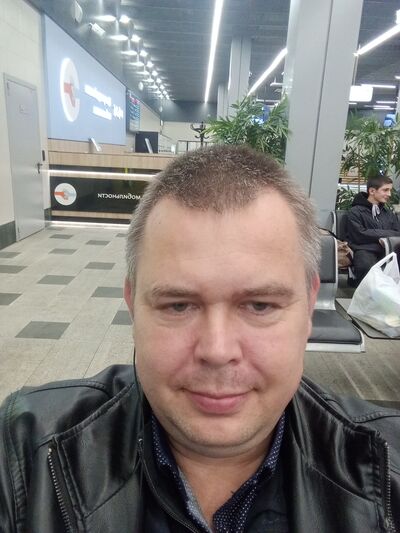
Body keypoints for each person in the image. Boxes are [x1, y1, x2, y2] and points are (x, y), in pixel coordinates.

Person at [1, 145, 399, 533]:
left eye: (259, 305)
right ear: (132, 304)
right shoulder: (25, 451)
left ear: (310, 305)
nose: (217, 351)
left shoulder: (389, 466)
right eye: (178, 305)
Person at [347, 175, 400, 282]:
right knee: (367, 266)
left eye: (390, 190)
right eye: (385, 190)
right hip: (364, 250)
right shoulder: (355, 212)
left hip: (389, 249)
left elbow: (397, 232)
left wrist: (383, 239)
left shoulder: (388, 213)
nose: (389, 194)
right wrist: (385, 235)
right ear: (372, 191)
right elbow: (359, 235)